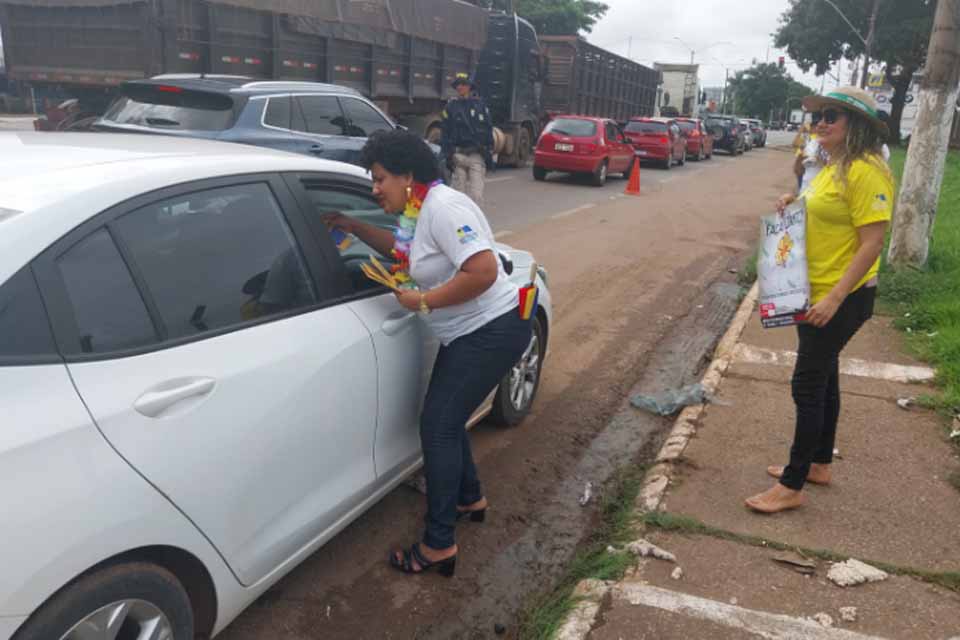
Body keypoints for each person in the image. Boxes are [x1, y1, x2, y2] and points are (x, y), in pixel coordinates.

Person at [323, 129, 532, 575]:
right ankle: (469, 497)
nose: (374, 188)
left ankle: (439, 544)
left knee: (436, 426)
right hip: (471, 333)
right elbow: (405, 255)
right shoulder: (417, 212)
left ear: (408, 176)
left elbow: (483, 271)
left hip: (492, 329)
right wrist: (355, 227)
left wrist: (423, 301)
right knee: (446, 419)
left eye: (380, 179)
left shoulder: (443, 208)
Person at [746, 87, 895, 514]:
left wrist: (833, 298)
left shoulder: (868, 170)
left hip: (840, 297)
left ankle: (792, 485)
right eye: (819, 116)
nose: (821, 122)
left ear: (857, 125)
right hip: (813, 289)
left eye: (833, 115)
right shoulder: (834, 166)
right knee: (825, 377)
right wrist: (795, 203)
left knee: (807, 383)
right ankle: (819, 464)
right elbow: (828, 209)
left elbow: (872, 242)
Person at [441, 73, 495, 205]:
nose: (460, 87)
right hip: (458, 156)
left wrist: (490, 152)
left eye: (463, 84)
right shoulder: (450, 107)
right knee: (457, 198)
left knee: (476, 196)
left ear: (469, 87)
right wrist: (448, 155)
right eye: (458, 84)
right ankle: (458, 224)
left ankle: (473, 223)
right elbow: (445, 132)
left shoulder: (480, 106)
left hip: (476, 156)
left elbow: (488, 129)